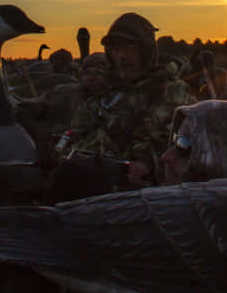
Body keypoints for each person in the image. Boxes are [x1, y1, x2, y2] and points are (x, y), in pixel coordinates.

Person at [66, 13, 196, 186]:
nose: (121, 57)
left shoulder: (173, 94)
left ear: (147, 52)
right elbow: (70, 139)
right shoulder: (101, 97)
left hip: (143, 198)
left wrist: (148, 167)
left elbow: (185, 151)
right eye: (115, 49)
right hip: (89, 189)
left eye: (130, 49)